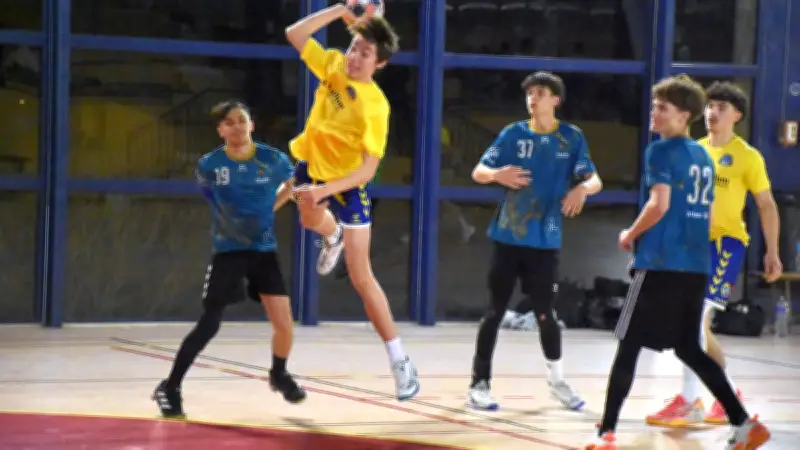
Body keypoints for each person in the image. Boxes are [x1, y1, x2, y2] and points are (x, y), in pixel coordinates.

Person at [585, 75, 770, 450]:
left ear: (684, 115)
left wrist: (630, 234)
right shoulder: (703, 156)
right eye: (654, 106)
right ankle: (743, 422)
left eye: (663, 108)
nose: (654, 113)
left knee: (628, 345)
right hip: (695, 267)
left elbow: (659, 204)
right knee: (688, 348)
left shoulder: (660, 151)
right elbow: (710, 212)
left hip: (660, 264)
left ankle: (606, 433)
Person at [284, 4, 419, 401]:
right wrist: (340, 9)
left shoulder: (375, 106)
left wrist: (326, 191)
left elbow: (367, 171)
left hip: (346, 183)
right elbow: (295, 34)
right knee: (309, 220)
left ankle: (400, 361)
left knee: (362, 277)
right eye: (354, 47)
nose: (355, 56)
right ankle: (332, 236)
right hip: (312, 168)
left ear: (380, 64)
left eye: (365, 53)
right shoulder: (332, 65)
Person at [152, 101, 304, 418]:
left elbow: (294, 184)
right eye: (229, 122)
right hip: (229, 252)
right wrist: (232, 221)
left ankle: (279, 373)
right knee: (209, 323)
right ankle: (170, 386)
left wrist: (270, 207)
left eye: (241, 120)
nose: (237, 127)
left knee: (284, 324)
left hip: (264, 252)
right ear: (220, 130)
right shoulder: (210, 165)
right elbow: (210, 195)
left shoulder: (272, 159)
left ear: (252, 125)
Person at [645, 81, 783, 426]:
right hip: (691, 246)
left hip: (725, 244)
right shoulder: (693, 151)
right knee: (691, 326)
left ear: (737, 116)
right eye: (709, 106)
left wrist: (772, 251)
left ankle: (691, 402)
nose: (712, 113)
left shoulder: (748, 156)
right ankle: (728, 395)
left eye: (721, 108)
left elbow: (766, 205)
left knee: (694, 322)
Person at [467, 71, 603, 411]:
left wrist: (582, 189)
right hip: (508, 237)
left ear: (556, 99)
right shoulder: (513, 134)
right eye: (529, 93)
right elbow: (478, 171)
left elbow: (595, 179)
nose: (533, 98)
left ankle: (557, 382)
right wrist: (497, 174)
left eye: (540, 92)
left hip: (545, 241)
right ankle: (479, 383)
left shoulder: (570, 137)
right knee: (495, 311)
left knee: (545, 313)